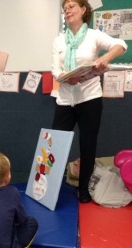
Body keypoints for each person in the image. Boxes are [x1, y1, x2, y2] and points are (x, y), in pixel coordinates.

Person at [51, 0, 127, 203]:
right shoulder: (59, 41)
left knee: (88, 145)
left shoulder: (94, 36)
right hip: (65, 99)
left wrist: (105, 59)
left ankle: (83, 190)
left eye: (71, 6)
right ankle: (49, 188)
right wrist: (65, 76)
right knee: (54, 145)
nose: (67, 10)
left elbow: (121, 45)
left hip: (89, 99)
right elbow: (55, 70)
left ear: (84, 10)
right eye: (65, 8)